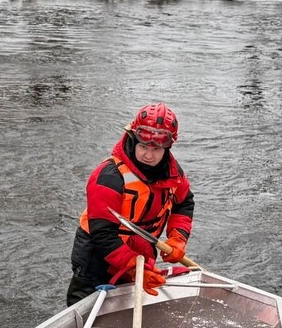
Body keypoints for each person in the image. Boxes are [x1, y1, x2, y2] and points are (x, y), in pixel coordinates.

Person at [66, 102, 194, 306]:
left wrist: (178, 238)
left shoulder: (173, 174)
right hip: (97, 257)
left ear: (167, 147)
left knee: (130, 308)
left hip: (141, 252)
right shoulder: (109, 177)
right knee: (87, 310)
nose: (148, 155)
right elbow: (103, 233)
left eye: (156, 149)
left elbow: (184, 203)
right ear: (133, 139)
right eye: (143, 146)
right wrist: (135, 268)